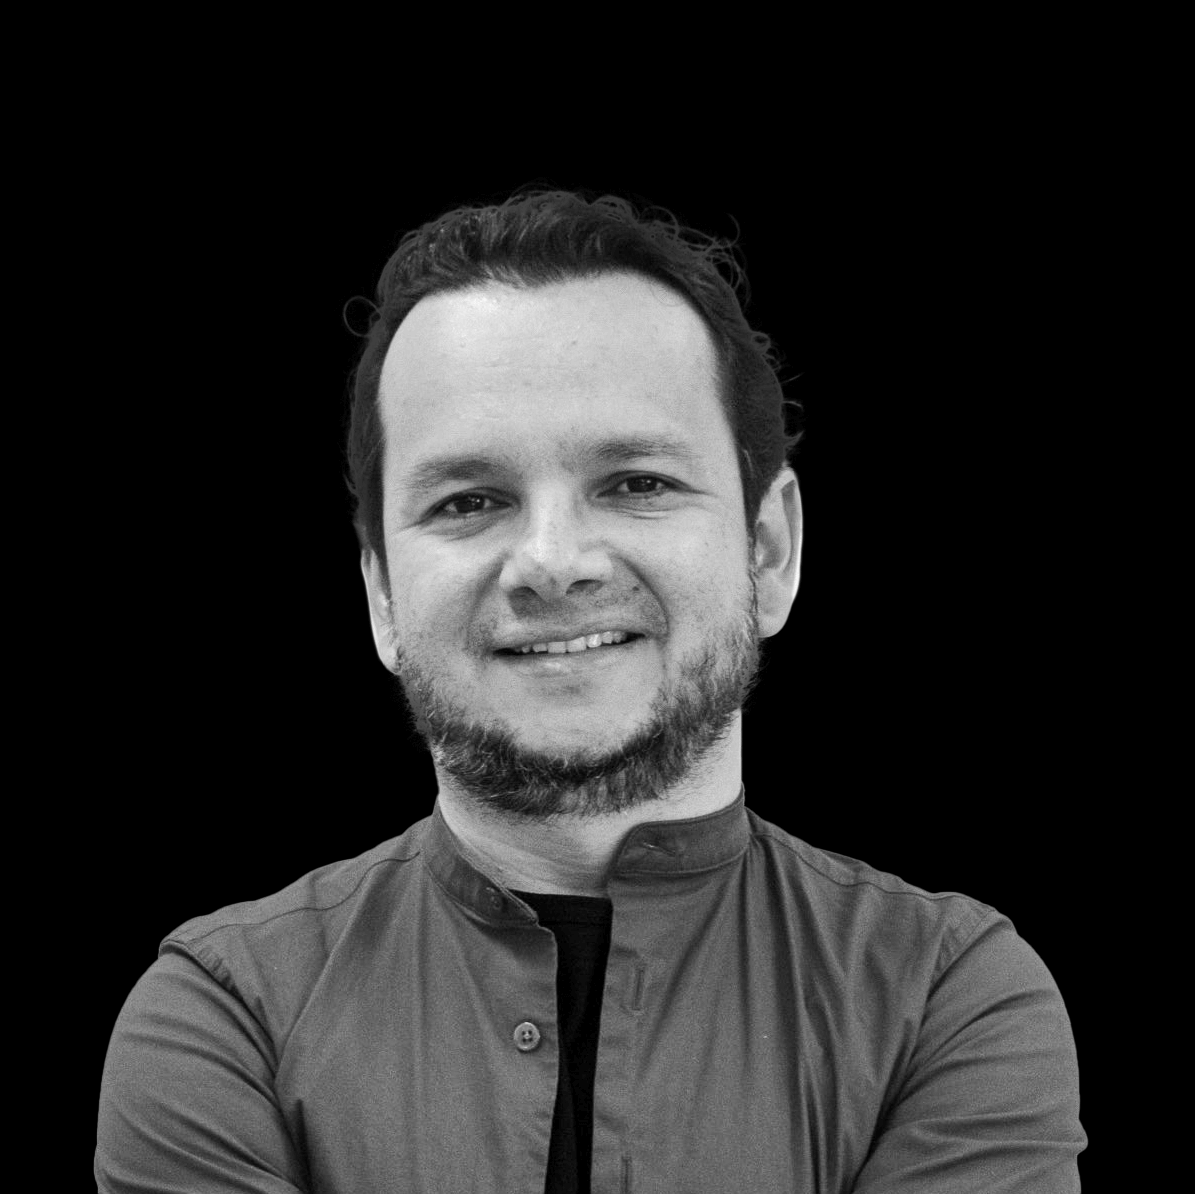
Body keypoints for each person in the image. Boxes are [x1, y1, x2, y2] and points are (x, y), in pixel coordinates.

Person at [95, 189, 1085, 1192]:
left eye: (636, 483)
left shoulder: (946, 995)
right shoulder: (228, 1015)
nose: (551, 562)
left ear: (768, 550)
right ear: (382, 595)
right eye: (469, 501)